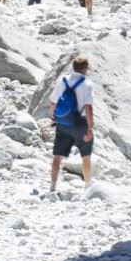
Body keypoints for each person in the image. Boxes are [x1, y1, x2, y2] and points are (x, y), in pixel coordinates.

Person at [49, 55, 94, 192]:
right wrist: (90, 128)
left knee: (58, 156)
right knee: (85, 155)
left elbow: (53, 102)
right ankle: (87, 186)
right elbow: (88, 107)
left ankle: (53, 185)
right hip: (80, 122)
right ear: (85, 69)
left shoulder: (63, 81)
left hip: (63, 122)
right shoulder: (87, 83)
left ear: (73, 67)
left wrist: (53, 117)